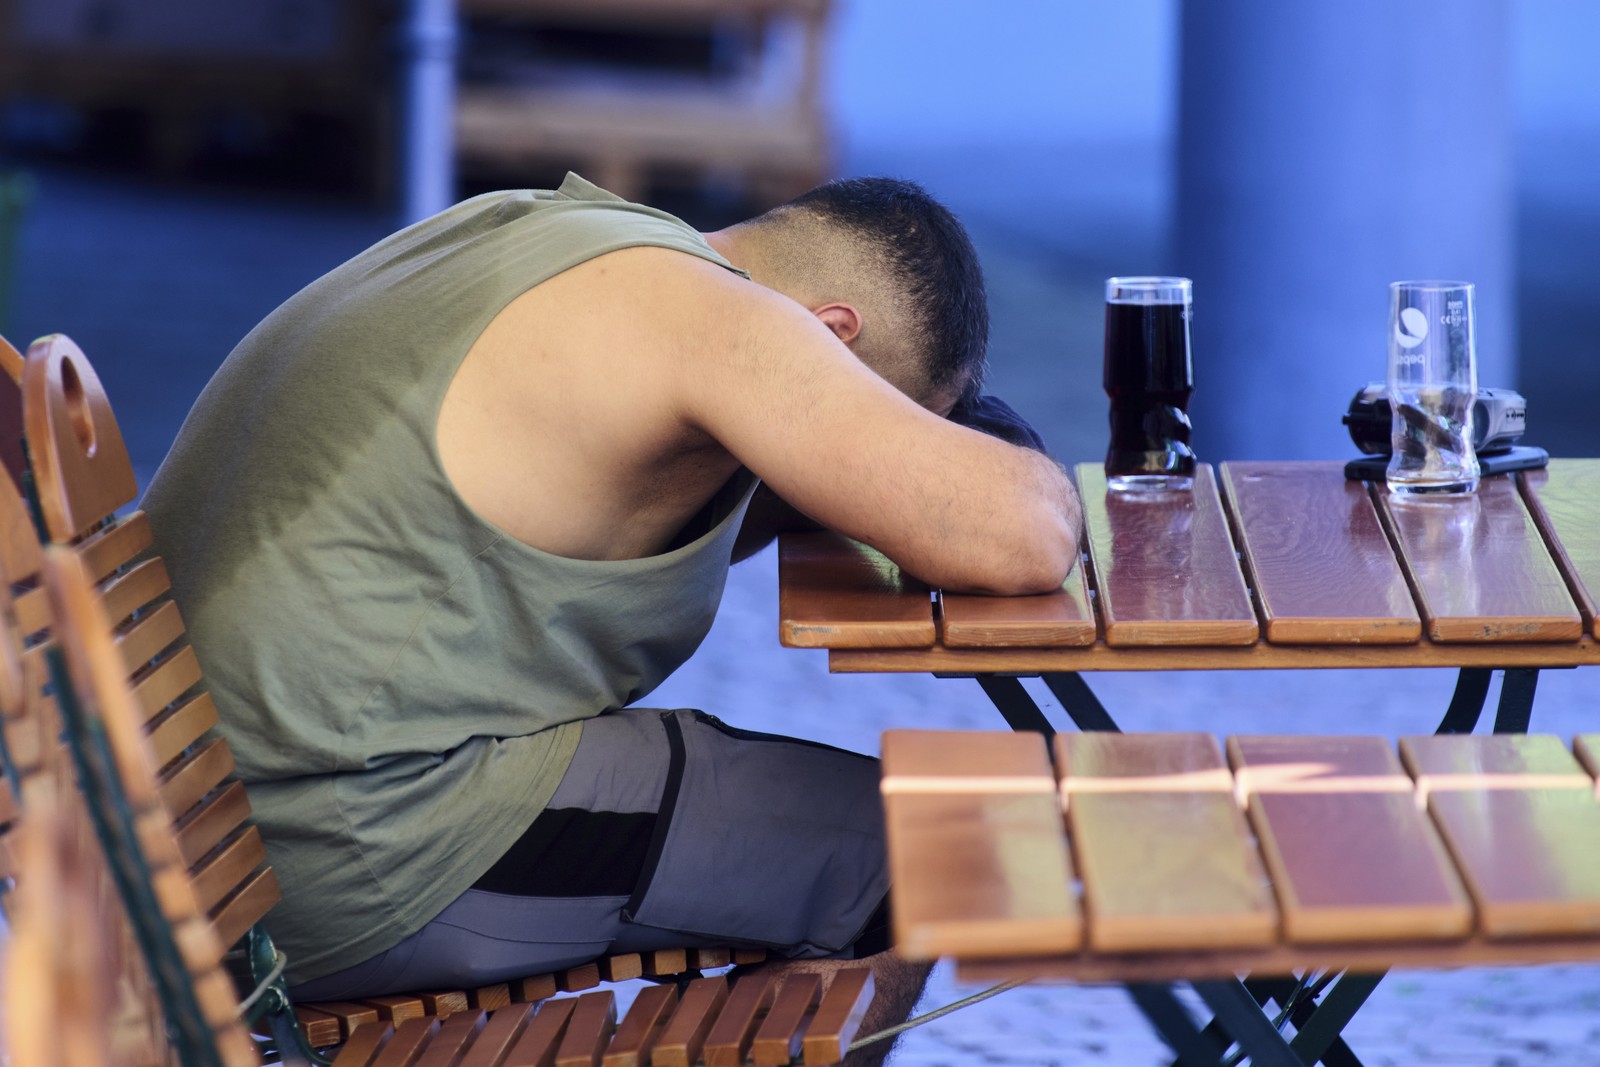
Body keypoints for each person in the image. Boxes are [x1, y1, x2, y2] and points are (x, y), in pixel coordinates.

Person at [144, 172, 1079, 1063]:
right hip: (322, 856)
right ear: (829, 337)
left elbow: (744, 505)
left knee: (763, 824)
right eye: (874, 410)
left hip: (190, 817)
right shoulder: (723, 326)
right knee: (910, 854)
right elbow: (1022, 537)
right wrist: (1004, 460)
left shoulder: (550, 233)